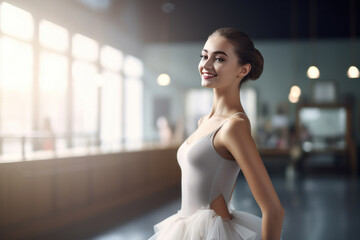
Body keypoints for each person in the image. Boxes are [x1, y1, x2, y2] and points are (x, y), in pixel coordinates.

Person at [149, 27, 284, 240]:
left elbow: (273, 210)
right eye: (204, 56)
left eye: (219, 59)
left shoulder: (234, 126)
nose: (206, 65)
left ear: (243, 70)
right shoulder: (205, 121)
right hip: (186, 230)